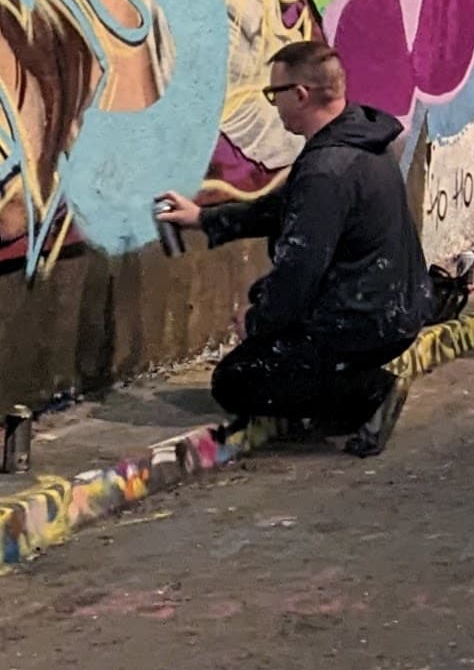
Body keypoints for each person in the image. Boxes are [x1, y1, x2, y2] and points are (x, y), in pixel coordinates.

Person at [154, 38, 431, 456]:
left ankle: (371, 392)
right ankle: (347, 381)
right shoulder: (361, 141)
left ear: (300, 95)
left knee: (238, 379)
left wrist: (259, 321)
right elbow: (282, 209)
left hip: (364, 318)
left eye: (274, 94)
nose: (273, 104)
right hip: (395, 307)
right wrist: (203, 218)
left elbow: (298, 270)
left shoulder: (326, 170)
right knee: (269, 322)